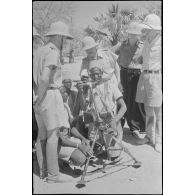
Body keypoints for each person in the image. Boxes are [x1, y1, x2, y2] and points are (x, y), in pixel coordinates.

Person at [33, 21, 76, 183]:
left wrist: (36, 96)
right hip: (48, 94)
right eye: (64, 38)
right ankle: (53, 176)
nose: (64, 41)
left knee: (42, 135)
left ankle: (43, 172)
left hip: (39, 95)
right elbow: (45, 77)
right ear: (59, 36)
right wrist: (40, 96)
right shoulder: (52, 52)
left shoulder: (40, 51)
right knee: (52, 136)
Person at [87, 60, 127, 158]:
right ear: (90, 75)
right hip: (97, 126)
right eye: (92, 75)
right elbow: (86, 109)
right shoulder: (90, 88)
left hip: (111, 125)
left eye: (97, 74)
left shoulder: (111, 85)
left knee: (112, 155)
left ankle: (112, 145)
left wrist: (115, 120)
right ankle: (99, 144)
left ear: (101, 73)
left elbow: (124, 107)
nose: (95, 77)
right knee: (89, 154)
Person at [113, 22, 146, 137]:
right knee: (122, 98)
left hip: (137, 74)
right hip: (124, 73)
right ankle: (118, 124)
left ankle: (134, 127)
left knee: (135, 101)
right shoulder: (121, 45)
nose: (132, 36)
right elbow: (109, 53)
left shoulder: (143, 46)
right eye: (131, 33)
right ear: (128, 34)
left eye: (135, 34)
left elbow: (147, 60)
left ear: (139, 35)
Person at [135, 14, 162, 153]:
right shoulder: (146, 41)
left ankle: (159, 140)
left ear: (156, 30)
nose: (146, 31)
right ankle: (149, 135)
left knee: (158, 111)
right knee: (148, 110)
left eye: (148, 29)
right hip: (144, 77)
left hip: (156, 78)